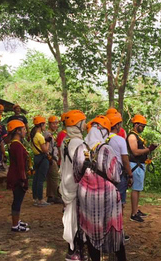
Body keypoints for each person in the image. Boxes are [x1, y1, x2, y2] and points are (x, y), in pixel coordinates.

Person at [73, 116, 126, 261]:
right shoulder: (107, 150)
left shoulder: (80, 149)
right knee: (114, 231)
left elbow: (76, 175)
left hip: (86, 197)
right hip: (108, 197)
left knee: (91, 232)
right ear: (103, 132)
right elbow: (116, 175)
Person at [60, 110, 86, 261]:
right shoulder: (77, 143)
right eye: (82, 121)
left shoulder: (66, 140)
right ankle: (75, 251)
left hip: (66, 183)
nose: (85, 124)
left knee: (70, 217)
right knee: (76, 219)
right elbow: (82, 165)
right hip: (76, 185)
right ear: (77, 123)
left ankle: (72, 250)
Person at [106, 113, 133, 241]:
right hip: (119, 175)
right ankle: (118, 232)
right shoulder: (119, 140)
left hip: (105, 175)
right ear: (116, 125)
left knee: (107, 203)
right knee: (119, 204)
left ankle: (106, 231)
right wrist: (130, 175)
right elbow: (125, 160)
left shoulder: (103, 139)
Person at [126, 114, 157, 222]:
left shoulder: (137, 136)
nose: (143, 128)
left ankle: (136, 210)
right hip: (135, 165)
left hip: (139, 165)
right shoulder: (132, 136)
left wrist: (149, 150)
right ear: (136, 124)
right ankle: (133, 214)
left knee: (138, 189)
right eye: (142, 126)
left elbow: (142, 149)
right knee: (135, 189)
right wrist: (148, 149)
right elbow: (135, 151)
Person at [6, 120, 30, 232]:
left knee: (18, 199)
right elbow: (21, 165)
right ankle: (15, 225)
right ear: (18, 131)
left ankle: (17, 221)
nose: (25, 131)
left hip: (15, 174)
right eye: (24, 129)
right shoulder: (17, 145)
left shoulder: (15, 144)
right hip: (17, 176)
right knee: (17, 200)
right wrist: (23, 179)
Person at [30, 116, 51, 207]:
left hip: (36, 157)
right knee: (41, 179)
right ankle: (40, 200)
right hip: (42, 158)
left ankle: (35, 198)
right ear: (41, 124)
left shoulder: (34, 135)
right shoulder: (39, 136)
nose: (45, 126)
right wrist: (48, 142)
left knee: (36, 178)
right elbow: (45, 150)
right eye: (44, 124)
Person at [45, 115, 63, 204]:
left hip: (51, 157)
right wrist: (51, 158)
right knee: (55, 176)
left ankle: (50, 195)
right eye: (53, 123)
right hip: (51, 158)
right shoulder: (47, 134)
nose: (55, 125)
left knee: (50, 177)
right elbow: (48, 148)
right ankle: (56, 196)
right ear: (49, 124)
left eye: (56, 123)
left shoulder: (51, 133)